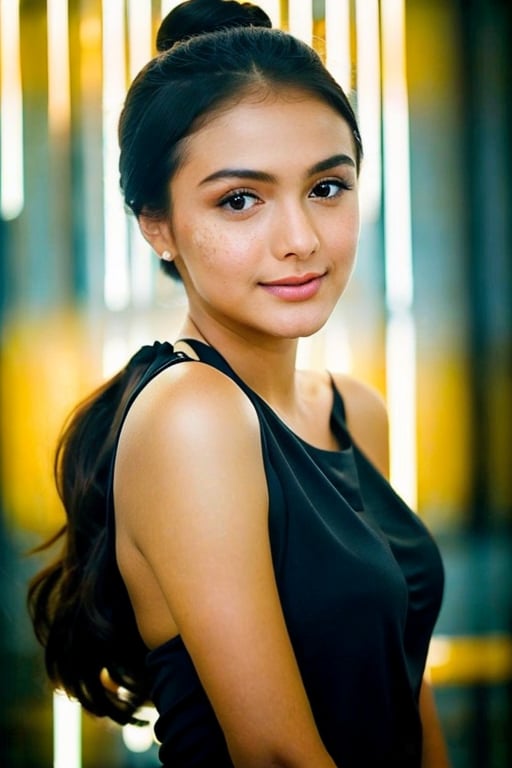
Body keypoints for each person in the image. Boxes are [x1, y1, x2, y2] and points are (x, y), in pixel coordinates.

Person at [28, 1, 451, 766]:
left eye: (327, 187)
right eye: (240, 200)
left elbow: (404, 687)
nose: (301, 240)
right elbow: (275, 754)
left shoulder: (357, 411)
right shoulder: (192, 414)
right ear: (156, 222)